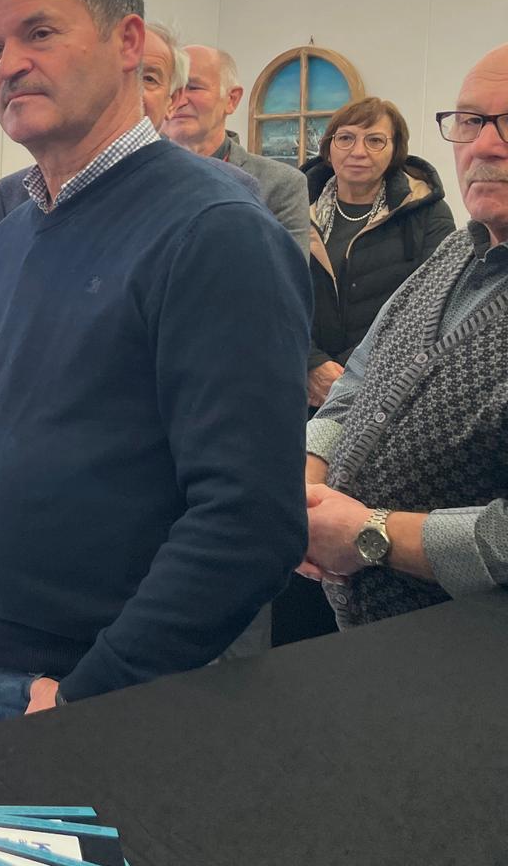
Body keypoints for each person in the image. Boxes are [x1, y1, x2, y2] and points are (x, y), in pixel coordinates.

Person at [0, 0, 310, 736]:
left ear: (128, 43)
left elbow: (249, 518)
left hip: (90, 689)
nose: (9, 64)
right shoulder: (17, 229)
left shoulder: (216, 232)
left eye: (39, 33)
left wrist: (91, 698)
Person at [299, 49, 508, 626]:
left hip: (467, 652)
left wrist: (375, 535)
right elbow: (359, 382)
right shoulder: (458, 250)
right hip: (373, 637)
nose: (484, 146)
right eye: (470, 120)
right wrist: (308, 479)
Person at [301, 98, 455, 407]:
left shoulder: (428, 213)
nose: (358, 151)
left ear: (395, 149)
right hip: (301, 384)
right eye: (346, 138)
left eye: (375, 140)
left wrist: (349, 374)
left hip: (387, 391)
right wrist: (311, 362)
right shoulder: (294, 204)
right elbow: (271, 294)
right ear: (329, 147)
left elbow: (433, 307)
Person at [0, 18, 199, 222]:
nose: (127, 89)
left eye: (148, 78)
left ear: (173, 101)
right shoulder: (12, 195)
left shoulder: (204, 194)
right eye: (116, 73)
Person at [164, 44, 312, 255]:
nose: (178, 100)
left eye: (193, 87)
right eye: (170, 88)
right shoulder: (135, 174)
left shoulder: (280, 184)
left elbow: (288, 272)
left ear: (231, 99)